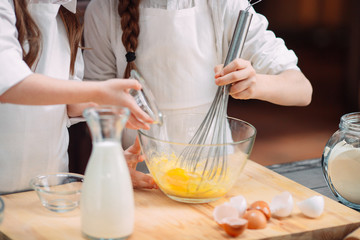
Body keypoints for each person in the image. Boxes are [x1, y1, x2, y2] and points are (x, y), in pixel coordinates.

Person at [83, 0, 313, 151]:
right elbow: (93, 108)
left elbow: (301, 90)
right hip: (136, 172)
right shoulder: (103, 9)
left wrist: (256, 84)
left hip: (212, 169)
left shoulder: (223, 4)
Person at [0, 0, 157, 194]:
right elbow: (9, 84)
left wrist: (110, 106)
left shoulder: (65, 17)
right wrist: (99, 92)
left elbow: (69, 101)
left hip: (51, 187)